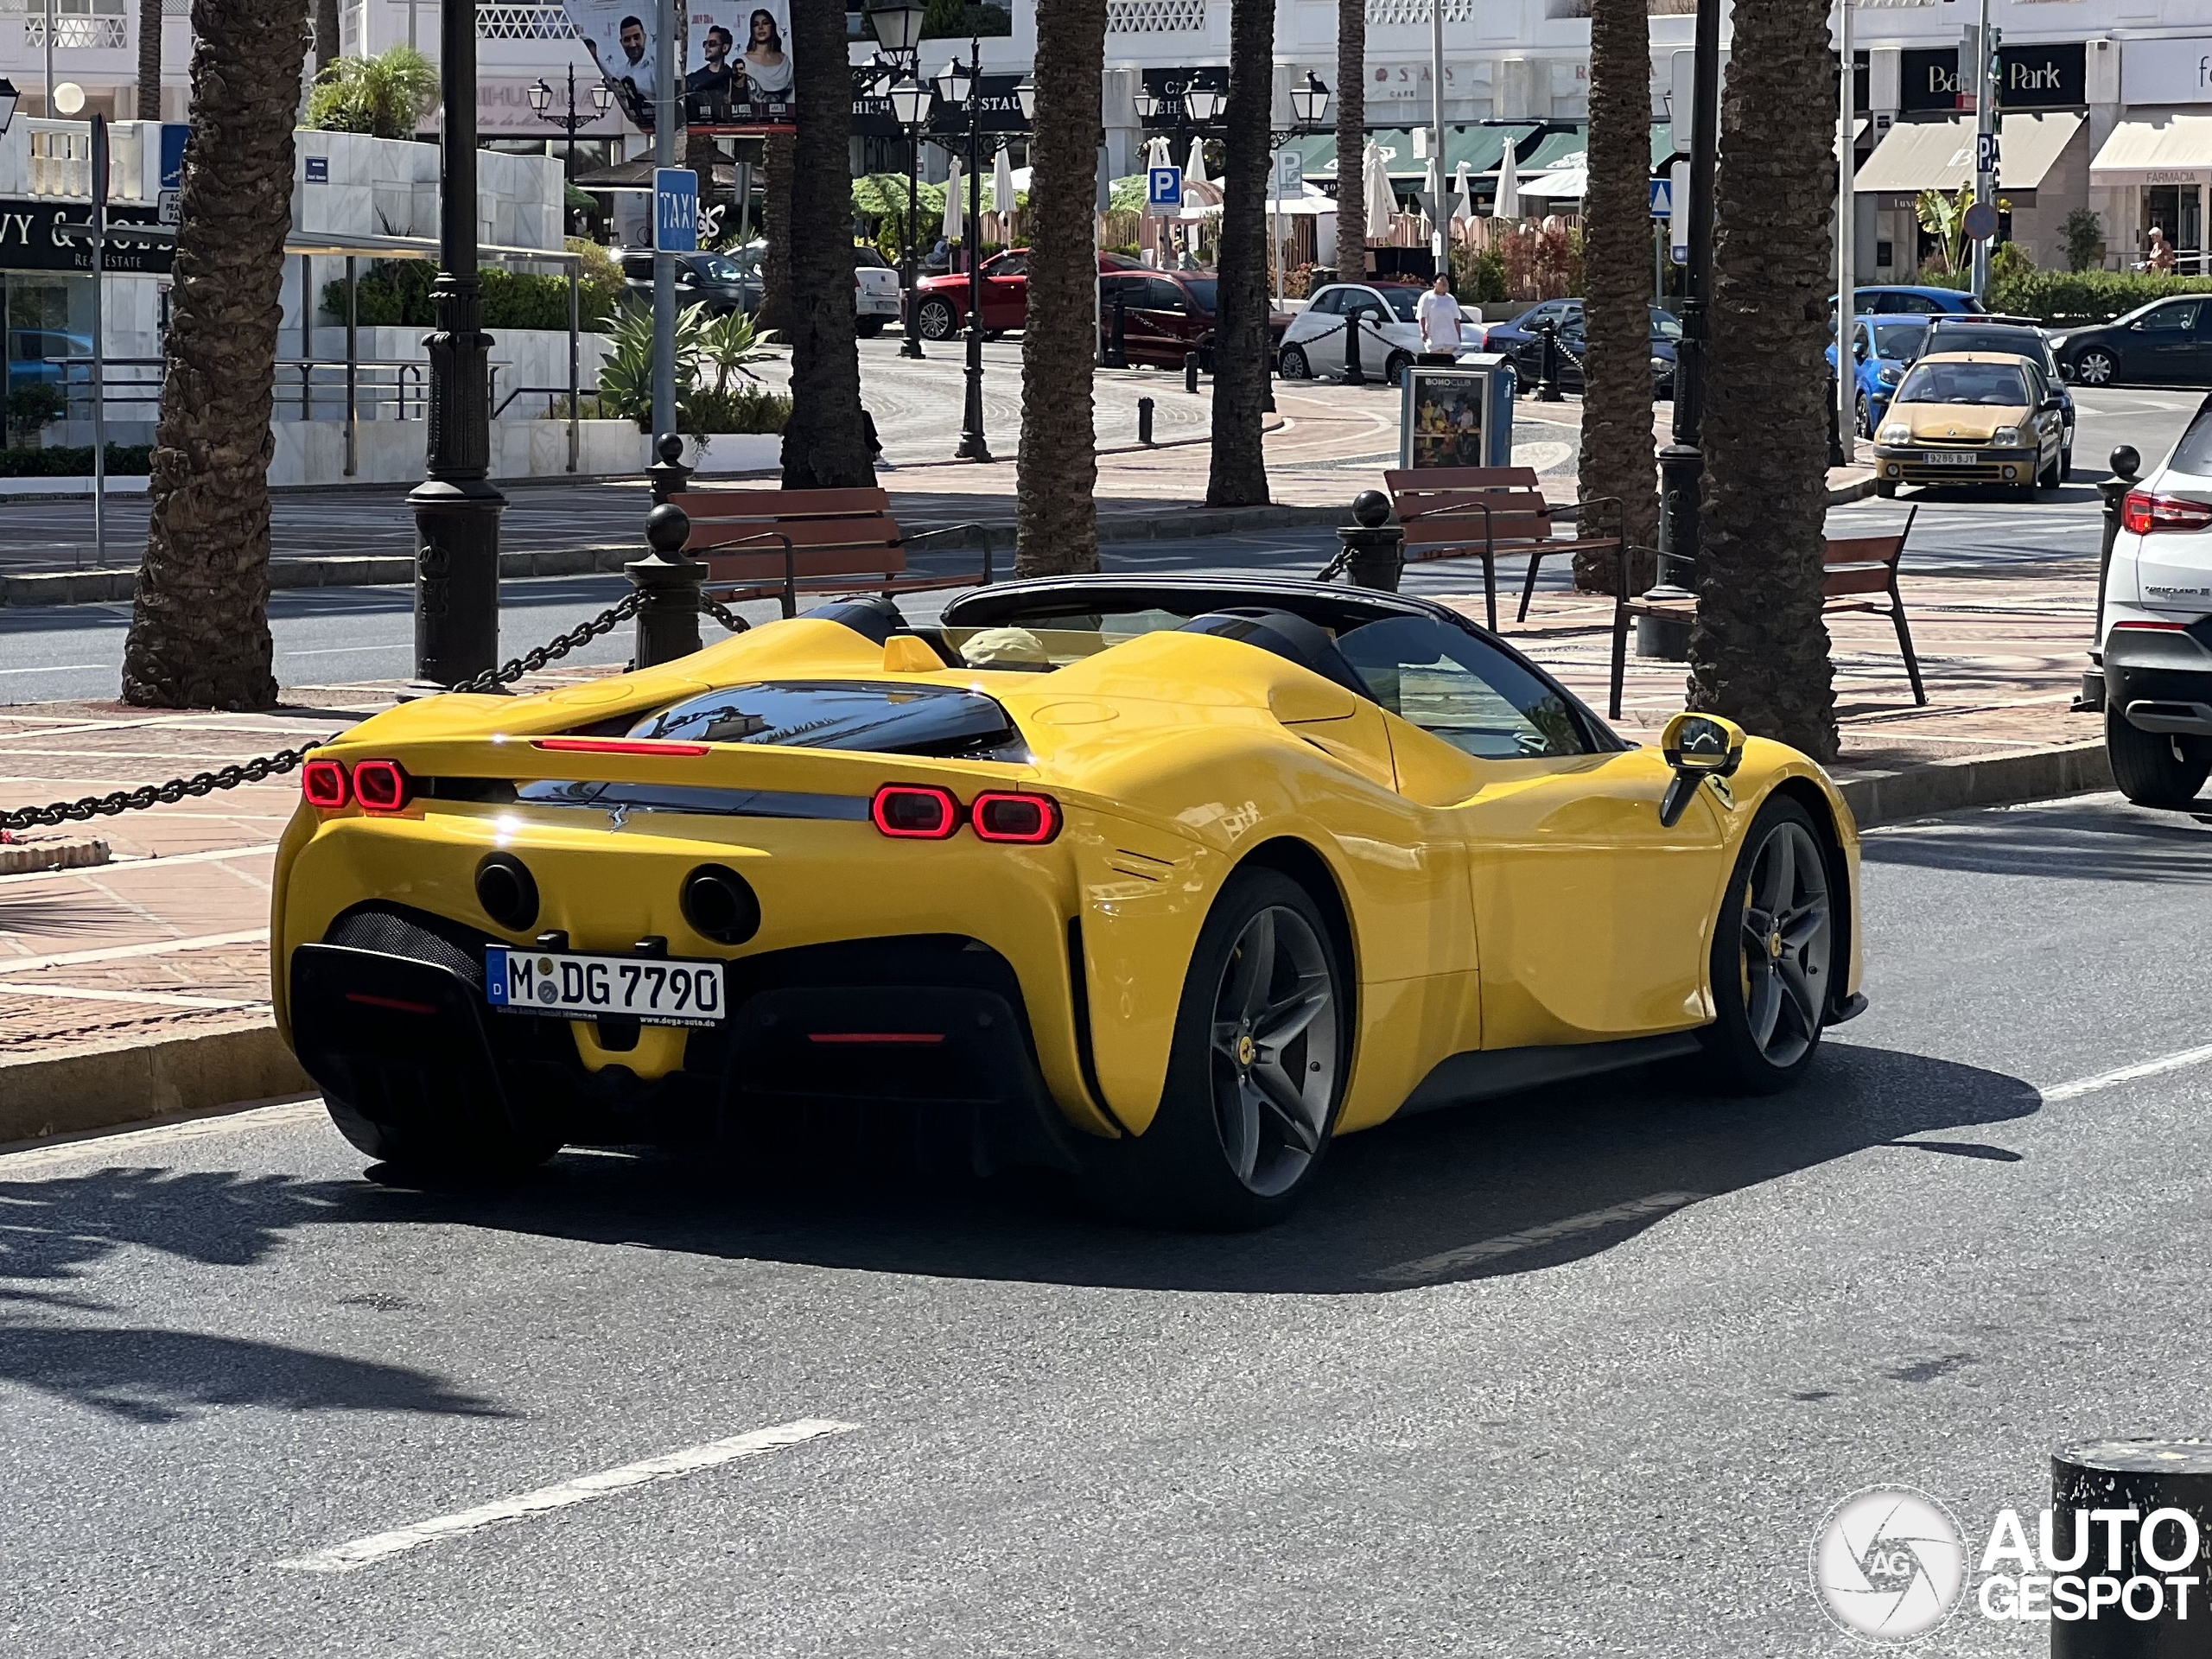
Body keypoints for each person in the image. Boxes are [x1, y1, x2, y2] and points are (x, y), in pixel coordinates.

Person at [741, 8, 791, 98]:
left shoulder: (784, 61)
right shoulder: (743, 61)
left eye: (765, 23)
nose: (760, 28)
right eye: (756, 25)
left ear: (772, 27)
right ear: (752, 30)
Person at [1417, 271, 1467, 352]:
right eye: (1442, 280)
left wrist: (1459, 336)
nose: (1444, 283)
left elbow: (1456, 320)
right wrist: (1423, 332)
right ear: (1434, 283)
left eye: (1446, 280)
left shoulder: (1451, 299)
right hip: (1434, 340)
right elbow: (1422, 317)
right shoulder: (1426, 298)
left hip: (1450, 341)